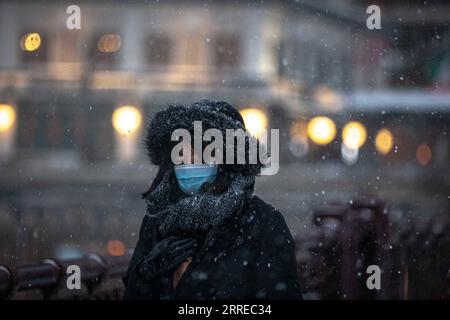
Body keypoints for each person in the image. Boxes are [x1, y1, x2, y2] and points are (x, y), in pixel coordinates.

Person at [123, 100, 302, 299]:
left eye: (202, 155)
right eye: (181, 154)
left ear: (228, 162)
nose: (188, 164)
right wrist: (146, 273)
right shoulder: (157, 218)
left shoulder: (263, 222)